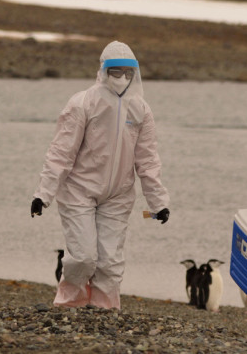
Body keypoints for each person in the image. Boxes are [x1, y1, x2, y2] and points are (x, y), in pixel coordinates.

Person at [30, 41, 170, 310]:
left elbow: (148, 160)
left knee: (110, 260)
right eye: (115, 71)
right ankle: (70, 304)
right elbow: (61, 152)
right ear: (103, 71)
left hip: (118, 194)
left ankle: (104, 308)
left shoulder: (140, 109)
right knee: (82, 256)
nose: (122, 78)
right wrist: (42, 194)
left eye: (128, 73)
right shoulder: (83, 103)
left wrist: (158, 202)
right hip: (79, 190)